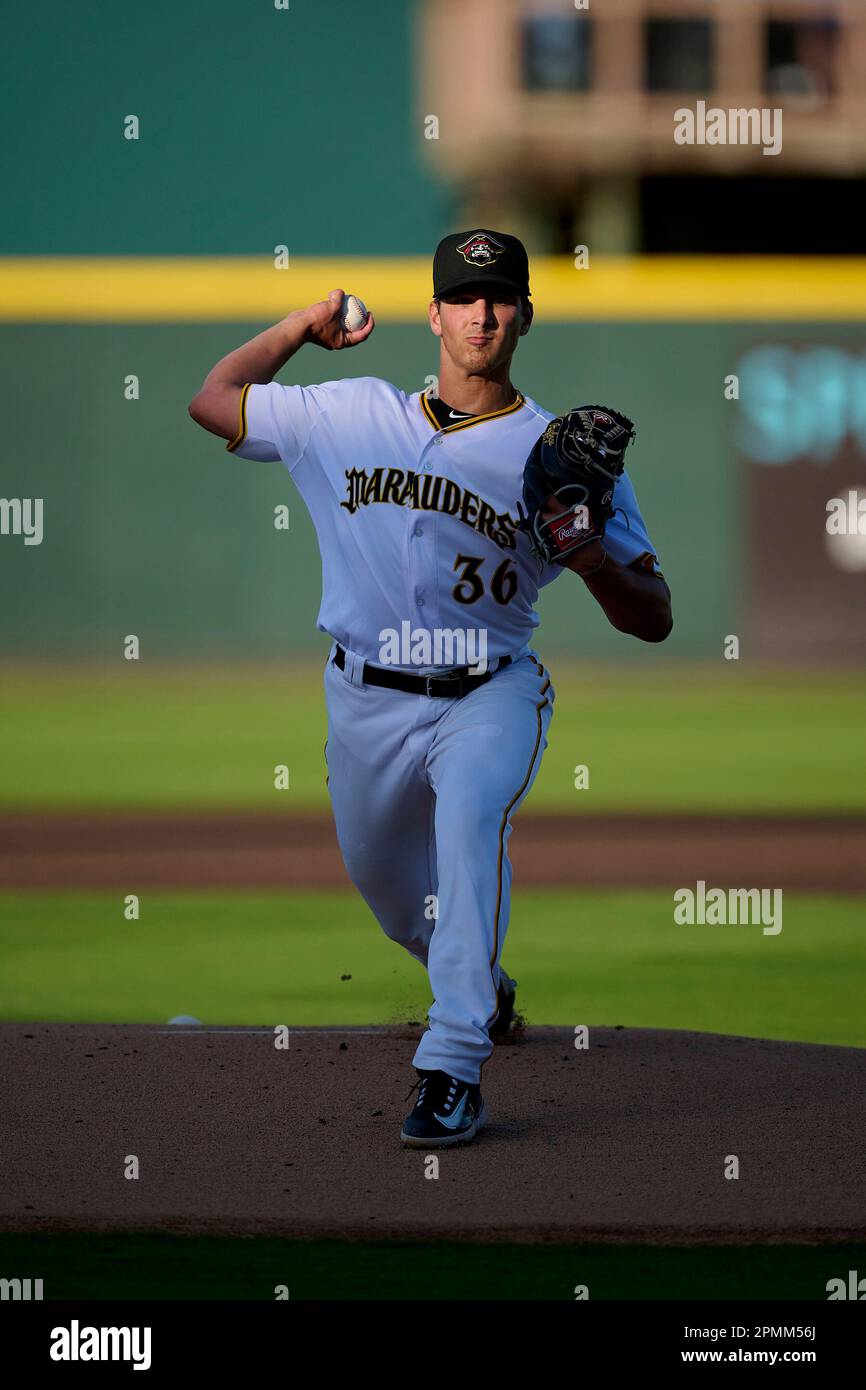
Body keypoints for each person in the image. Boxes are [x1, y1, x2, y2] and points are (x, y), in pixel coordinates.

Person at [189, 229, 672, 1147]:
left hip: (490, 692)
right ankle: (481, 986)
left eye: (500, 298)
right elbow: (212, 400)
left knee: (468, 830)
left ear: (524, 313)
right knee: (385, 885)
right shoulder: (349, 413)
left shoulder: (561, 453)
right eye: (465, 296)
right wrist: (301, 322)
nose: (482, 313)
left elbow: (654, 614)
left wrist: (592, 561)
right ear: (436, 313)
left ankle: (452, 1064)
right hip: (364, 697)